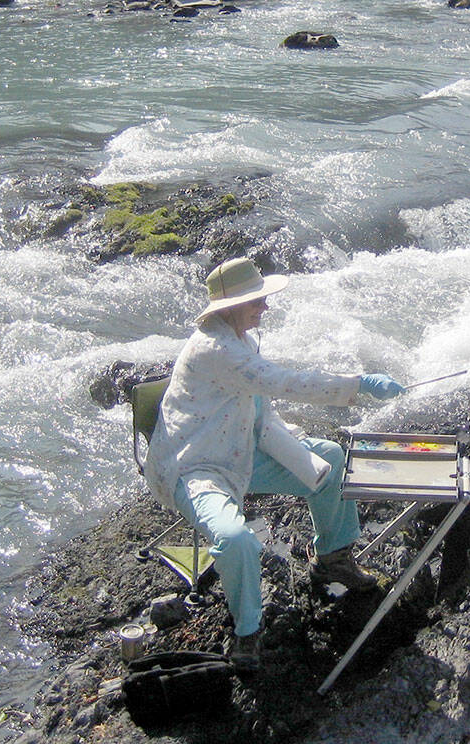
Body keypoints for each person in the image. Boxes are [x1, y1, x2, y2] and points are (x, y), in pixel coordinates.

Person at [143, 257, 405, 670]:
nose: (264, 308)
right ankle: (247, 632)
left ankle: (332, 558)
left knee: (332, 458)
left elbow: (261, 408)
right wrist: (357, 385)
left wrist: (294, 446)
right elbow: (283, 382)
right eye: (256, 301)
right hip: (197, 466)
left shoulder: (242, 339)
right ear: (228, 307)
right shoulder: (217, 349)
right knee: (236, 539)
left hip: (240, 449)